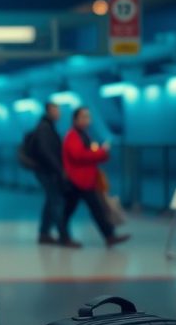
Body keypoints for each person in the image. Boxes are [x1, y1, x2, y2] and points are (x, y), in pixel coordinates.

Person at [62, 107, 131, 248]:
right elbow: (79, 155)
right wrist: (100, 152)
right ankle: (64, 236)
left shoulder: (84, 135)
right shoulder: (72, 136)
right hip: (77, 181)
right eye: (83, 117)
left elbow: (91, 154)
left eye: (88, 117)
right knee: (70, 210)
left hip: (86, 180)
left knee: (95, 209)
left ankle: (109, 236)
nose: (87, 120)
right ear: (75, 119)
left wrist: (101, 153)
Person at [31, 102, 77, 247]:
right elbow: (46, 152)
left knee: (51, 200)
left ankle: (44, 233)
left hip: (47, 170)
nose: (59, 113)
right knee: (57, 201)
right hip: (47, 170)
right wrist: (59, 169)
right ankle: (65, 236)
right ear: (48, 111)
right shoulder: (45, 128)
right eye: (56, 110)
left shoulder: (47, 126)